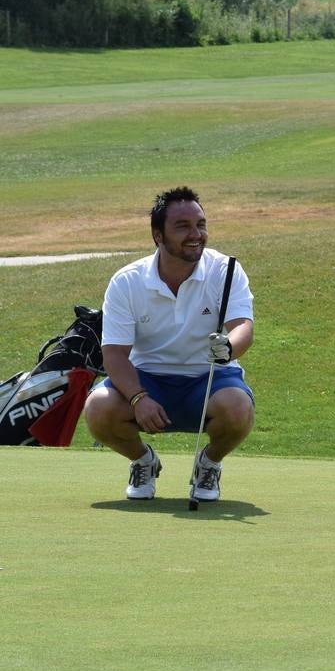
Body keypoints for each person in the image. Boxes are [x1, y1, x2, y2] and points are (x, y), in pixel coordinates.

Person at [84, 187, 256, 502]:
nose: (196, 234)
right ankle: (143, 461)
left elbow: (243, 327)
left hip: (210, 381)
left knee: (238, 408)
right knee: (98, 407)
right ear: (157, 236)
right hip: (147, 379)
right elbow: (114, 355)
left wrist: (229, 348)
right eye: (183, 227)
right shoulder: (127, 281)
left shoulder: (225, 270)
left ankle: (209, 464)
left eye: (201, 224)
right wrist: (137, 398)